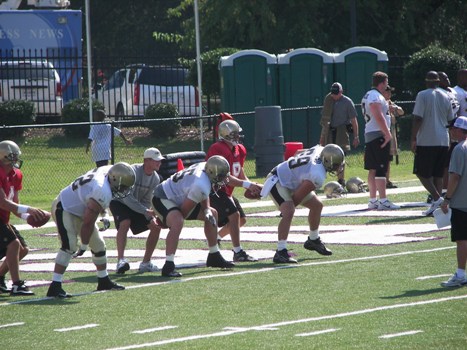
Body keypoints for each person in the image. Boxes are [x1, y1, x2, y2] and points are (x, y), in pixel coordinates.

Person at [46, 162, 136, 298]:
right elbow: (88, 223)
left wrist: (104, 214)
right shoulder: (102, 189)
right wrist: (83, 245)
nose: (123, 190)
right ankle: (55, 286)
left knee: (99, 246)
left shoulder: (108, 172)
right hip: (65, 207)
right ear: (115, 179)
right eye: (123, 187)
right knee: (69, 245)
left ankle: (103, 280)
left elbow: (93, 196)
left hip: (82, 207)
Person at [152, 155, 235, 277]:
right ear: (212, 172)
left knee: (212, 214)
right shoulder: (201, 183)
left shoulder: (205, 168)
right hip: (162, 197)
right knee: (178, 220)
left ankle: (214, 255)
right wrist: (165, 220)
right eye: (221, 176)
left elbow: (203, 191)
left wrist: (206, 209)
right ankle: (168, 265)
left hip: (180, 196)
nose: (223, 179)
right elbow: (184, 211)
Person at [260, 144, 344, 263]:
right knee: (289, 211)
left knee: (317, 206)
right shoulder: (317, 174)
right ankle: (281, 251)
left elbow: (298, 152)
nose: (338, 168)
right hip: (278, 180)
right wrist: (285, 210)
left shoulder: (320, 150)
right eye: (335, 165)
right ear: (326, 160)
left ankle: (313, 240)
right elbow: (297, 196)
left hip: (292, 180)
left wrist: (296, 172)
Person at [206, 119, 262, 262]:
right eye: (236, 134)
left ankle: (216, 239)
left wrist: (252, 184)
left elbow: (239, 170)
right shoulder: (217, 149)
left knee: (241, 220)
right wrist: (246, 185)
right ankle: (238, 252)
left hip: (226, 190)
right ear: (228, 135)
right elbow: (223, 177)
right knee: (234, 216)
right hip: (215, 189)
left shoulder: (239, 150)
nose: (239, 137)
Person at [0, 141, 49, 296]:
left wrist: (29, 216)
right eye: (12, 156)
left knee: (23, 249)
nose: (15, 160)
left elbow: (14, 204)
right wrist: (30, 209)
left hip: (3, 218)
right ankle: (17, 285)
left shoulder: (16, 175)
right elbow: (1, 202)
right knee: (13, 244)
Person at [111, 148, 164, 274]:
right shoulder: (132, 172)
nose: (159, 163)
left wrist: (148, 212)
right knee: (125, 223)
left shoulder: (156, 178)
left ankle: (146, 263)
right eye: (156, 160)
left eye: (160, 160)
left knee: (156, 227)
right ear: (146, 160)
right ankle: (120, 261)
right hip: (119, 201)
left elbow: (146, 199)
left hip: (137, 205)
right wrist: (145, 211)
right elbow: (127, 198)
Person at [411, 71, 454, 216]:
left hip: (427, 139)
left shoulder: (422, 95)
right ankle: (437, 206)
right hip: (443, 138)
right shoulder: (446, 95)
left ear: (427, 81)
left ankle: (437, 199)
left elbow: (418, 118)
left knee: (421, 172)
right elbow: (450, 119)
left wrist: (413, 138)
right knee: (438, 174)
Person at [361, 71, 399, 210]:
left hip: (371, 133)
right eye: (386, 82)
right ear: (382, 83)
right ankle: (383, 200)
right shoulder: (376, 96)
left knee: (372, 168)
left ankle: (373, 200)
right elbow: (377, 113)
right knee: (381, 168)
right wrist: (387, 132)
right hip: (378, 135)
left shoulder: (369, 94)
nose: (387, 85)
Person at [439, 115, 467, 287]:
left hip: (462, 202)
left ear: (459, 130)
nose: (451, 131)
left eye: (453, 128)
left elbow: (455, 177)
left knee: (462, 239)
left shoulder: (459, 149)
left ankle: (460, 274)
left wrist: (447, 198)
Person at [319, 82, 359, 186]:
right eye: (332, 93)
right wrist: (322, 138)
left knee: (341, 157)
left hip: (341, 132)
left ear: (341, 92)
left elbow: (354, 120)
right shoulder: (328, 100)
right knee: (326, 158)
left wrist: (356, 136)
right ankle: (321, 180)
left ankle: (341, 180)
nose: (334, 96)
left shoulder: (347, 102)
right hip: (329, 133)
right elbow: (325, 121)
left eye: (336, 94)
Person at [438, 71, 460, 193]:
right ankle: (443, 188)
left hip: (457, 129)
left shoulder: (453, 91)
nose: (447, 79)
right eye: (444, 78)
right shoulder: (439, 93)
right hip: (447, 129)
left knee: (454, 160)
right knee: (445, 162)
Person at [382, 85, 404, 188]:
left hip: (391, 134)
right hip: (382, 134)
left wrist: (395, 108)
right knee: (382, 159)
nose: (390, 94)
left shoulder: (390, 102)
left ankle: (387, 180)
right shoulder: (380, 102)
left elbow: (401, 112)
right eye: (388, 92)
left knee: (388, 159)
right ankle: (381, 181)